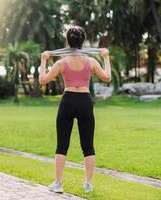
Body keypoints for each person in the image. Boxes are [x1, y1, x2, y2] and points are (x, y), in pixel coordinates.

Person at [38, 26, 111, 193]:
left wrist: (43, 60)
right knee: (88, 146)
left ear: (67, 41)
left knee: (62, 145)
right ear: (82, 41)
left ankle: (58, 183)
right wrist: (106, 58)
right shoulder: (91, 61)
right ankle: (88, 184)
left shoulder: (61, 62)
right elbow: (107, 78)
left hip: (68, 101)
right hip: (85, 102)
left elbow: (43, 80)